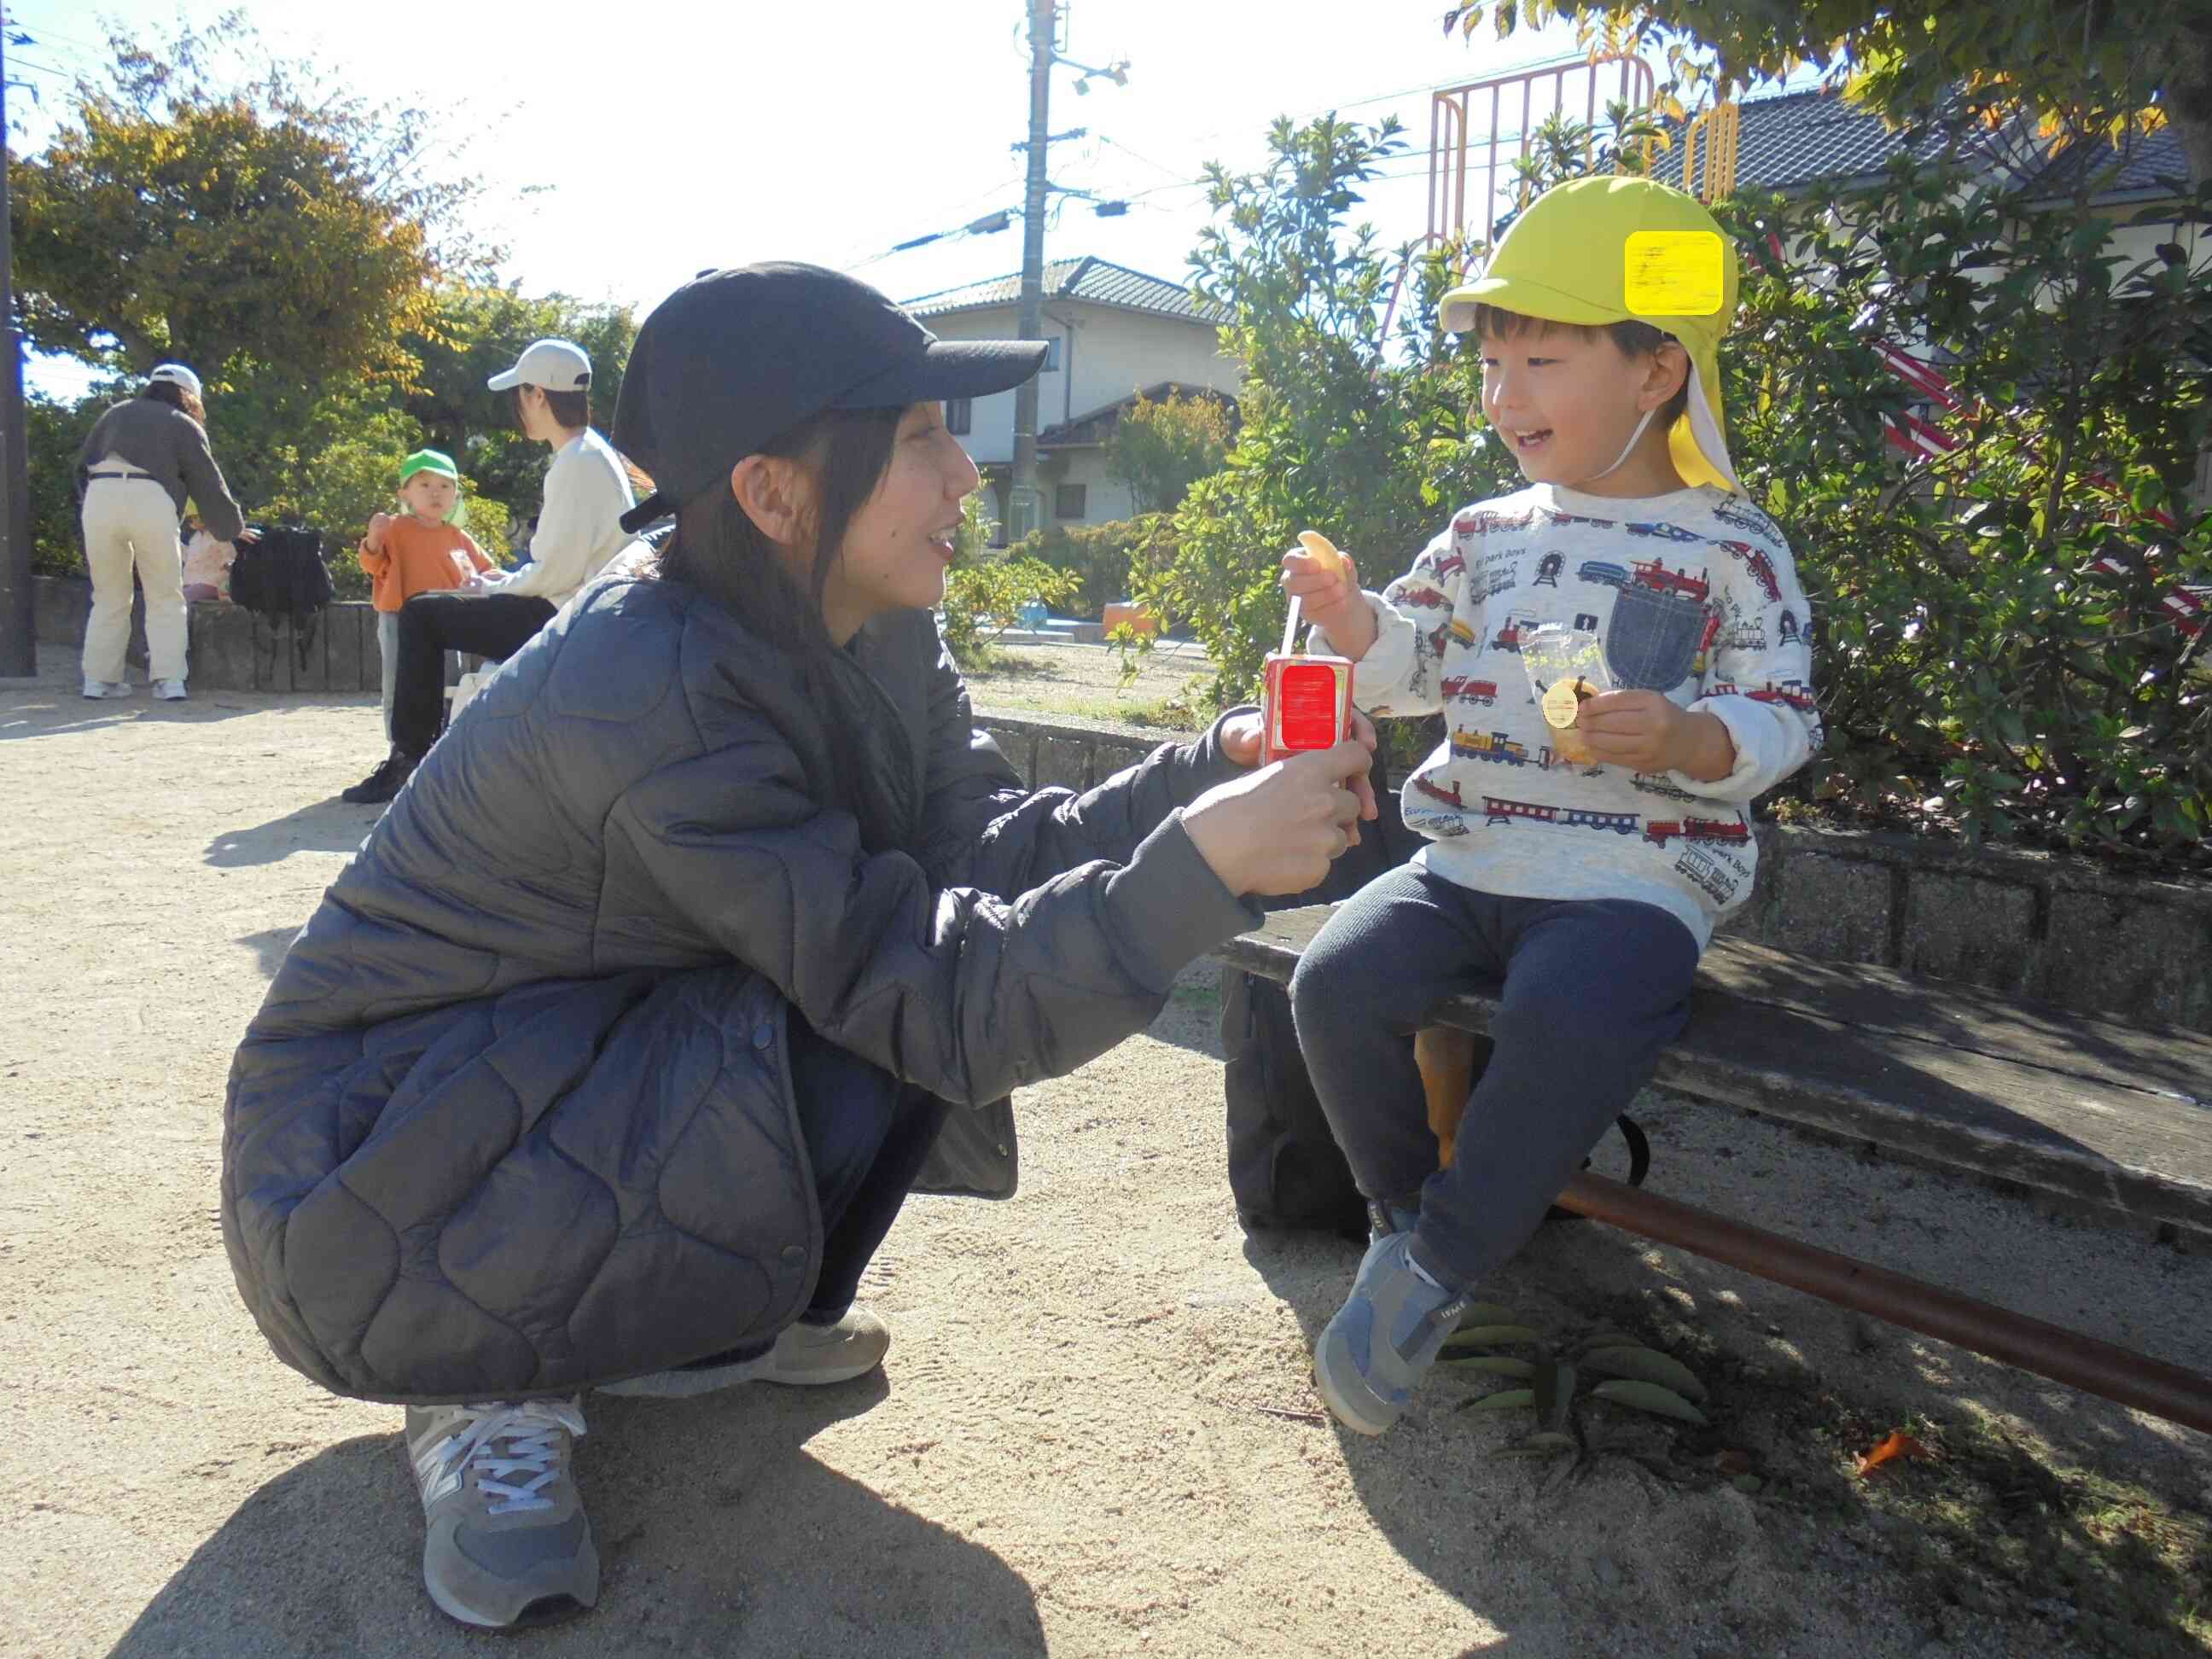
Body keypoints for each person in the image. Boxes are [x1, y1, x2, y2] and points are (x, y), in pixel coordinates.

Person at [222, 262, 1379, 1631]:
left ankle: (693, 1319)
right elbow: (945, 994)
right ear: (774, 494)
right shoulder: (648, 684)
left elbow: (982, 855)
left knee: (885, 978)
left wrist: (1209, 771)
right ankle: (482, 1382)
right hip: (374, 1168)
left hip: (565, 1066)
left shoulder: (872, 623)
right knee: (897, 1002)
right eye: (916, 440)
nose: (966, 477)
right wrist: (1203, 871)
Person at [1278, 177, 1824, 1437]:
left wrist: (1695, 736)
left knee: (1571, 1010)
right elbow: (1414, 667)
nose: (1505, 395)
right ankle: (1407, 1224)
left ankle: (1435, 1272)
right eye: (1492, 362)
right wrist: (1361, 621)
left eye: (1542, 359)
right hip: (1468, 852)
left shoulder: (1732, 545)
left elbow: (1784, 714)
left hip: (1637, 873)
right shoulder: (1484, 534)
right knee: (1332, 983)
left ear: (1655, 373)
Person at [340, 339, 637, 804]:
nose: (518, 407)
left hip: (565, 615)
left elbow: (554, 575)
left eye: (521, 394)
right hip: (585, 608)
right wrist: (499, 584)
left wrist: (494, 587)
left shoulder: (575, 463)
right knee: (434, 610)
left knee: (420, 614)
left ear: (539, 395)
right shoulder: (592, 453)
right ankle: (421, 752)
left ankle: (410, 759)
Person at [73, 363, 256, 701]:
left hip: (100, 496)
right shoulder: (181, 423)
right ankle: (169, 681)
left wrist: (89, 507)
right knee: (165, 595)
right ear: (188, 396)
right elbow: (207, 481)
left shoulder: (114, 414)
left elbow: (81, 467)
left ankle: (98, 681)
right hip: (151, 498)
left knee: (109, 595)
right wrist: (232, 528)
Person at [355, 450, 497, 740]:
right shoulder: (394, 529)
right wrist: (372, 539)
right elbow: (372, 564)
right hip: (398, 618)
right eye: (425, 485)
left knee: (449, 685)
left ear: (456, 494)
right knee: (399, 685)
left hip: (448, 620)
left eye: (445, 486)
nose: (436, 493)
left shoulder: (458, 535)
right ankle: (399, 749)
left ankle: (443, 744)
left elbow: (489, 571)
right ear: (405, 493)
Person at [179, 515, 234, 603]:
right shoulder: (195, 537)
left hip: (211, 584)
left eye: (196, 517)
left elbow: (229, 559)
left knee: (177, 601)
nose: (193, 521)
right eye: (191, 518)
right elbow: (189, 558)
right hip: (190, 584)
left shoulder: (219, 536)